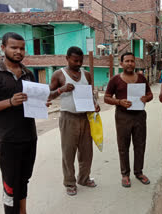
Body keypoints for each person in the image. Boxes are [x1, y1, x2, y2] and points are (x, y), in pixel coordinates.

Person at [0, 32, 38, 214]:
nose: (19, 51)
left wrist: (41, 103)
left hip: (29, 137)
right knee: (10, 183)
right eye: (14, 47)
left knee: (24, 180)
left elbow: (33, 101)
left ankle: (22, 211)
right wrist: (9, 102)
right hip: (8, 139)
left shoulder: (28, 74)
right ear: (3, 48)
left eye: (22, 48)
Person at [49, 46, 100, 196]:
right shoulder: (59, 74)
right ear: (67, 58)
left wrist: (95, 104)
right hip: (68, 118)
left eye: (80, 60)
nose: (78, 63)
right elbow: (48, 95)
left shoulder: (87, 75)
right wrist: (61, 89)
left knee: (86, 152)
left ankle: (83, 178)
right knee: (68, 152)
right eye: (75, 60)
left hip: (85, 117)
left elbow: (91, 94)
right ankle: (70, 182)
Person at [104, 52, 153, 188]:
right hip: (122, 116)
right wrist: (119, 102)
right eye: (127, 61)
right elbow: (106, 98)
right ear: (121, 64)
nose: (130, 63)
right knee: (123, 146)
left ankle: (139, 172)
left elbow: (150, 94)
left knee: (140, 145)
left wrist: (146, 98)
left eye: (132, 61)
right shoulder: (115, 80)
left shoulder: (142, 78)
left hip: (139, 116)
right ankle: (125, 174)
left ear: (135, 63)